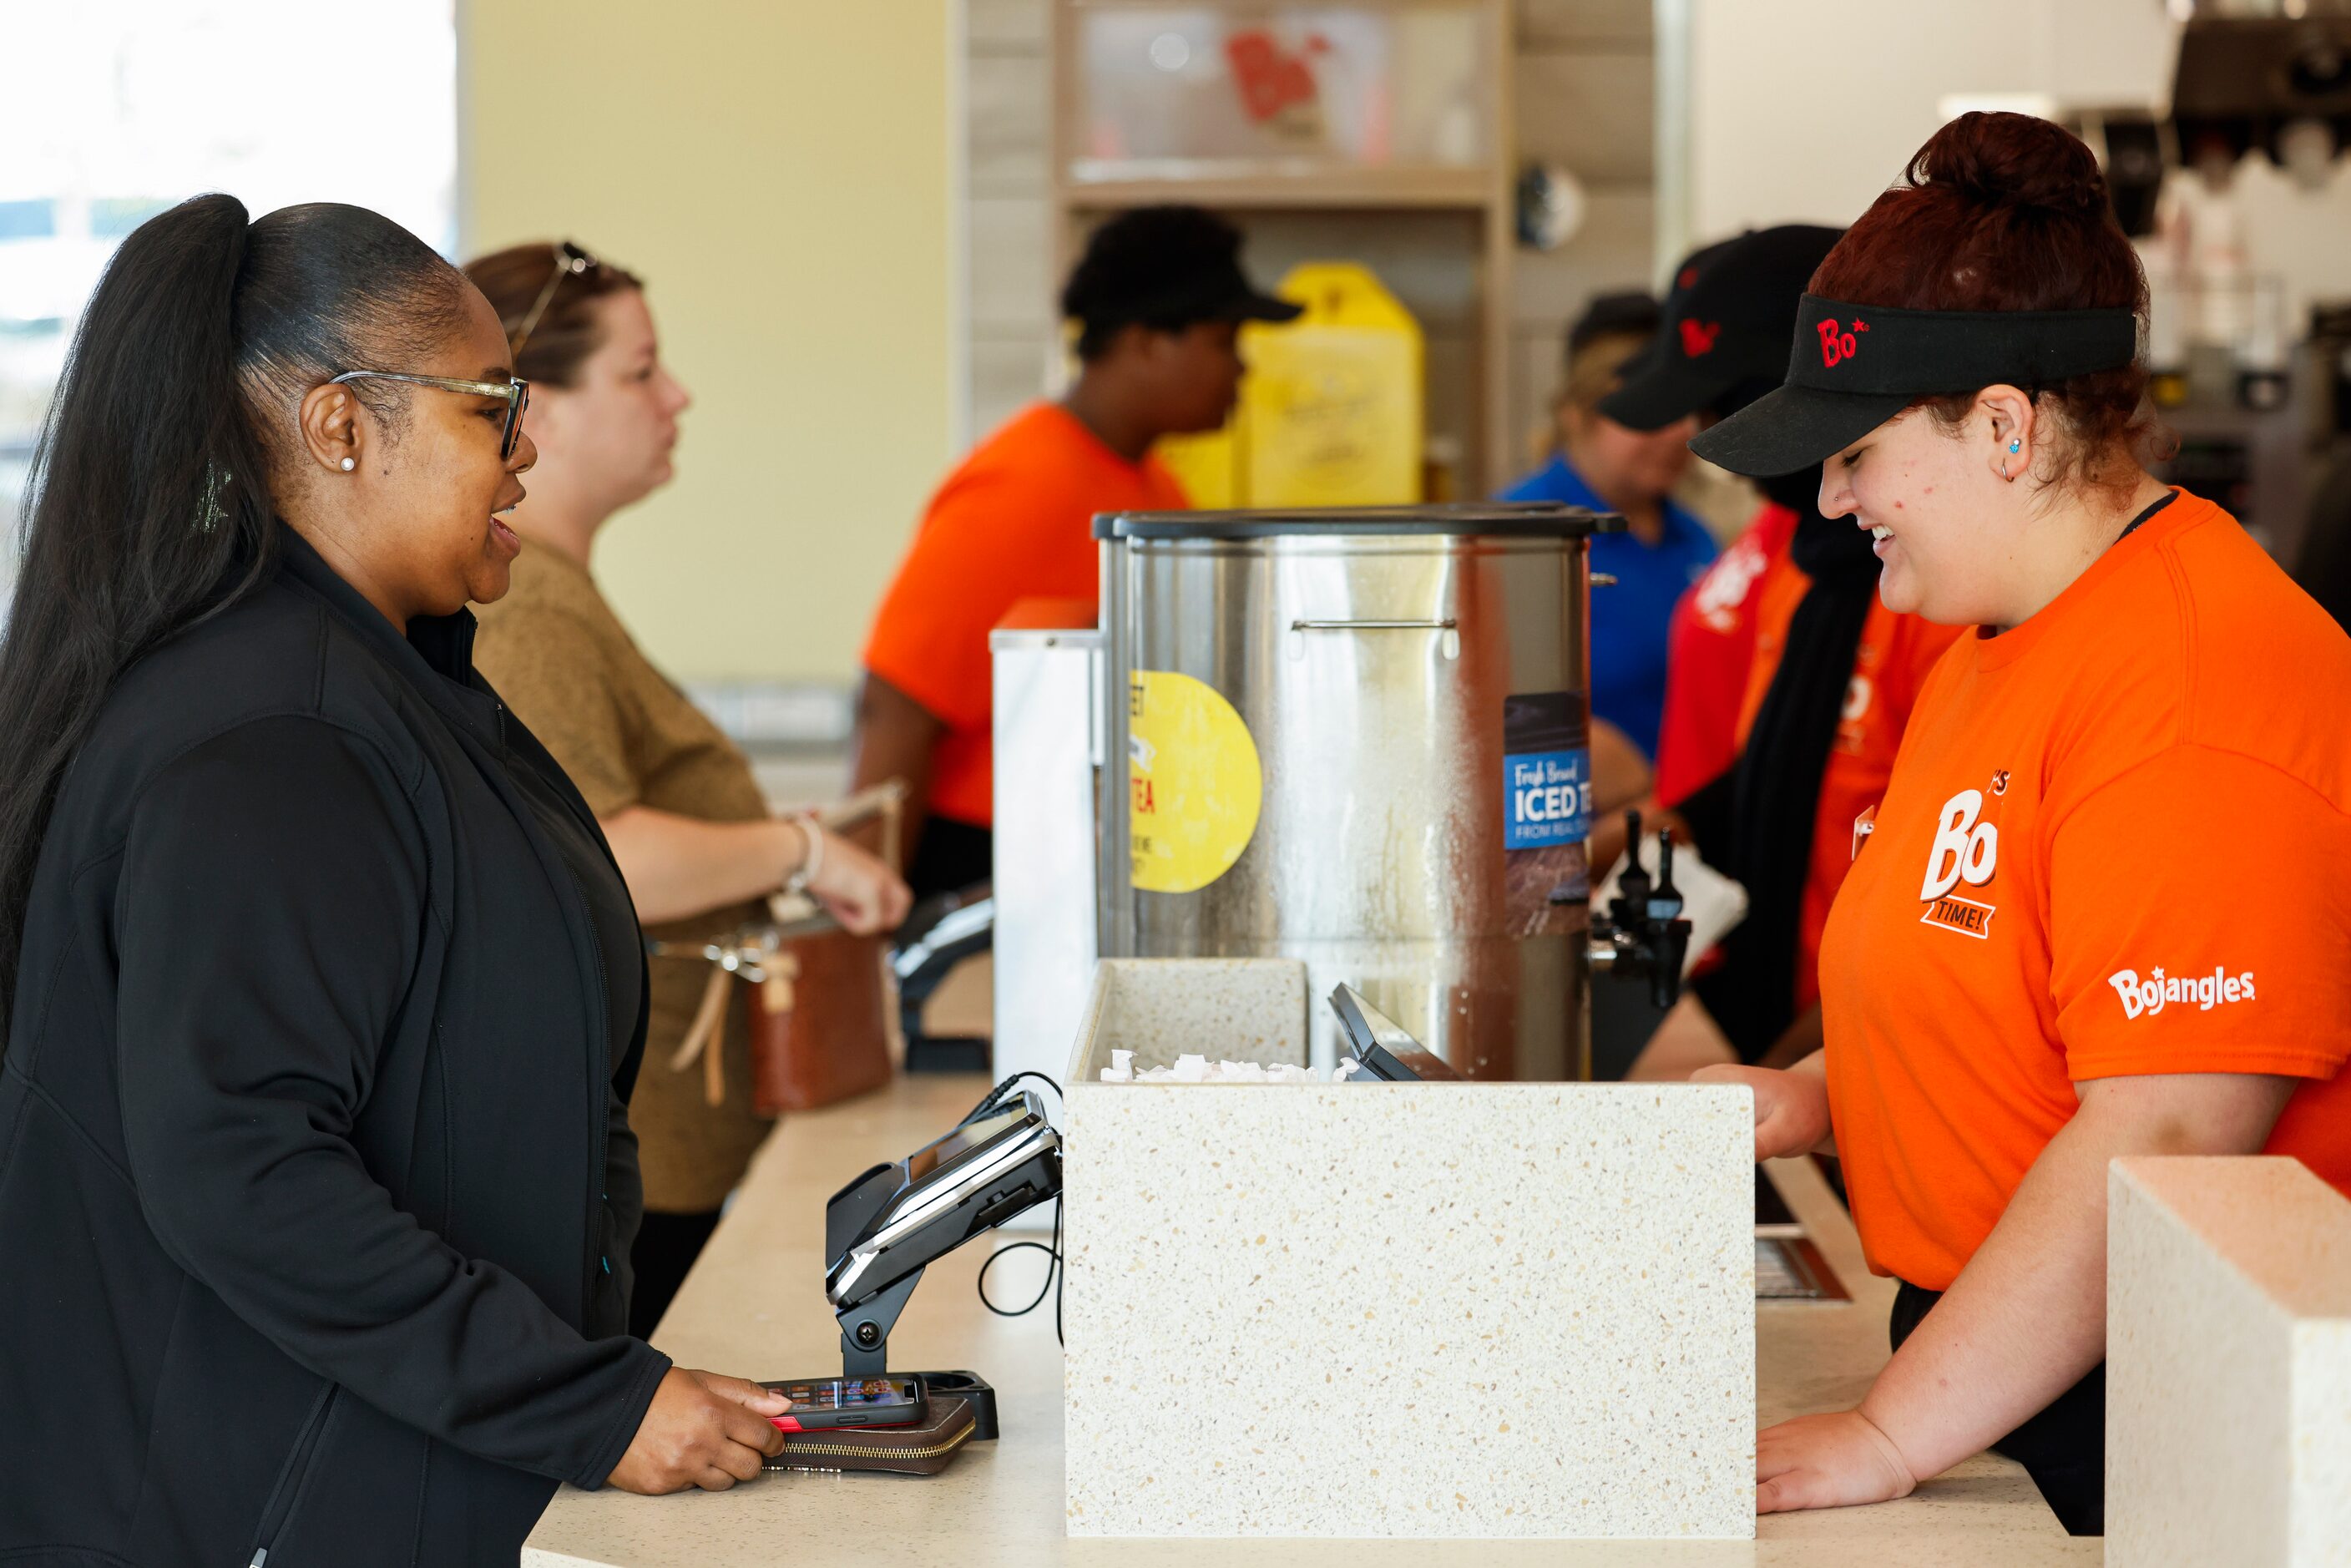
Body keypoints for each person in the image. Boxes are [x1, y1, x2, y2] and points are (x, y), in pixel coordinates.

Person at [0, 198, 797, 1567]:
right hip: (248, 1505)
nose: (527, 442)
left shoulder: (388, 681)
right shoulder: (273, 733)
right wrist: (588, 1402)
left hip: (390, 1462)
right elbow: (241, 1168)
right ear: (338, 426)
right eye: (493, 404)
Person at [1687, 114, 2351, 1535]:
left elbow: (2165, 1122)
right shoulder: (2000, 633)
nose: (1833, 497)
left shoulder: (2189, 683)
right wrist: (1814, 1099)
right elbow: (1999, 990)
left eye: (1857, 450)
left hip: (2145, 1398)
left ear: (2005, 425)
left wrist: (1886, 1428)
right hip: (1999, 1354)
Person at [463, 240, 910, 1337]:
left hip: (674, 1137)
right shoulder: (533, 609)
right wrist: (797, 850)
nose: (679, 396)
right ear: (541, 410)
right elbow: (600, 853)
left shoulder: (561, 593)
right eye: (640, 371)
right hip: (637, 1152)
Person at [1598, 225, 1964, 1071]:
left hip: (1877, 1050)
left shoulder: (1936, 594)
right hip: (1788, 1024)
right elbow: (1773, 776)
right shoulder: (1804, 568)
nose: (1708, 441)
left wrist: (1797, 1078)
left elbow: (1942, 894)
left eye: (1726, 407)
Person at [852, 205, 1298, 898]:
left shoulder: (1150, 487)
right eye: (1224, 339)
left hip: (1080, 855)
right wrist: (872, 906)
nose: (1242, 368)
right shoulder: (1024, 485)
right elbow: (897, 705)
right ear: (1147, 341)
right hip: (979, 866)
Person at [1499, 290, 1718, 761]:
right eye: (1649, 414)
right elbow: (1470, 702)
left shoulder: (1693, 538)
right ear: (1577, 416)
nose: (1679, 432)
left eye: (1686, 410)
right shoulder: (1516, 537)